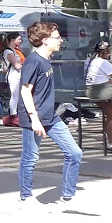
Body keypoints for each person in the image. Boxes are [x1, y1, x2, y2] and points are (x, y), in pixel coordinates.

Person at [18, 21, 82, 206]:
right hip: (34, 117)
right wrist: (34, 119)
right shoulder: (33, 61)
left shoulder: (46, 61)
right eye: (57, 37)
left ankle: (68, 195)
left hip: (51, 116)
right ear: (45, 40)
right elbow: (25, 91)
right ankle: (25, 196)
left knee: (74, 153)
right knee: (30, 157)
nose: (60, 40)